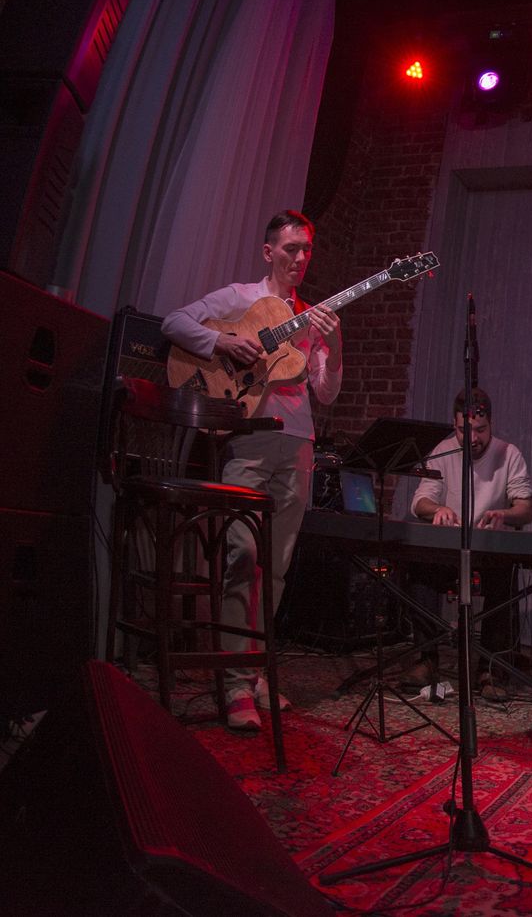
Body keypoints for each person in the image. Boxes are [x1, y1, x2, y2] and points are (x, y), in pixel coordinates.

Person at [162, 210, 343, 731]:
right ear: (269, 252)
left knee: (276, 565)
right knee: (242, 556)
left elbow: (326, 392)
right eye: (291, 248)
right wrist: (221, 342)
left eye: (306, 249)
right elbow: (174, 323)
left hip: (299, 442)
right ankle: (235, 683)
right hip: (248, 439)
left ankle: (256, 671)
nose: (300, 258)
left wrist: (335, 345)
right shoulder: (240, 298)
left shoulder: (313, 318)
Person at [403, 387, 532, 701]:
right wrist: (438, 509)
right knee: (420, 568)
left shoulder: (509, 454)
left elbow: (526, 509)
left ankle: (490, 668)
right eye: (465, 430)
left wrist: (504, 514)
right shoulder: (442, 450)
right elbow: (419, 502)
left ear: (492, 424)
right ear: (454, 424)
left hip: (488, 552)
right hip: (449, 551)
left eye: (480, 430)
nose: (473, 438)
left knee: (503, 576)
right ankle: (426, 659)